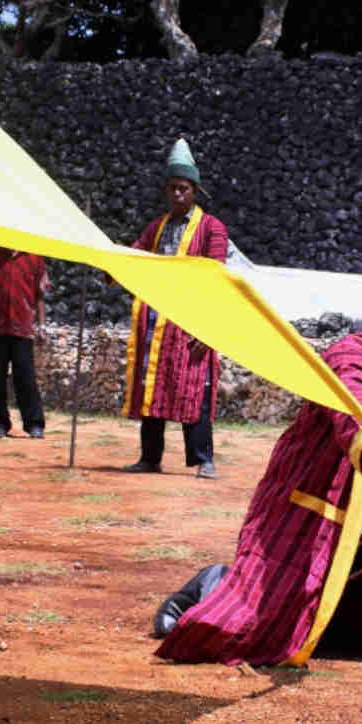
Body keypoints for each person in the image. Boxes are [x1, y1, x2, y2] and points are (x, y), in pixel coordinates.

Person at [153, 242, 362, 665]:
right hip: (311, 513)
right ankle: (216, 583)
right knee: (259, 625)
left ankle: (353, 623)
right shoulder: (350, 355)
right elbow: (354, 411)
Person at [121, 139, 228, 479]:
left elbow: (217, 279)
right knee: (154, 388)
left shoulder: (212, 229)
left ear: (195, 191)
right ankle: (150, 457)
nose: (178, 195)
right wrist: (107, 259)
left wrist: (208, 327)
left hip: (191, 323)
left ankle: (203, 459)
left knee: (195, 390)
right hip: (157, 325)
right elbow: (135, 255)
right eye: (172, 190)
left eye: (184, 189)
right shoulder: (157, 227)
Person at [0, 244, 48, 440]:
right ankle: (0, 424)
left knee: (26, 377)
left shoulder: (34, 258)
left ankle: (34, 424)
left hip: (22, 327)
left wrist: (42, 326)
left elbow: (40, 294)